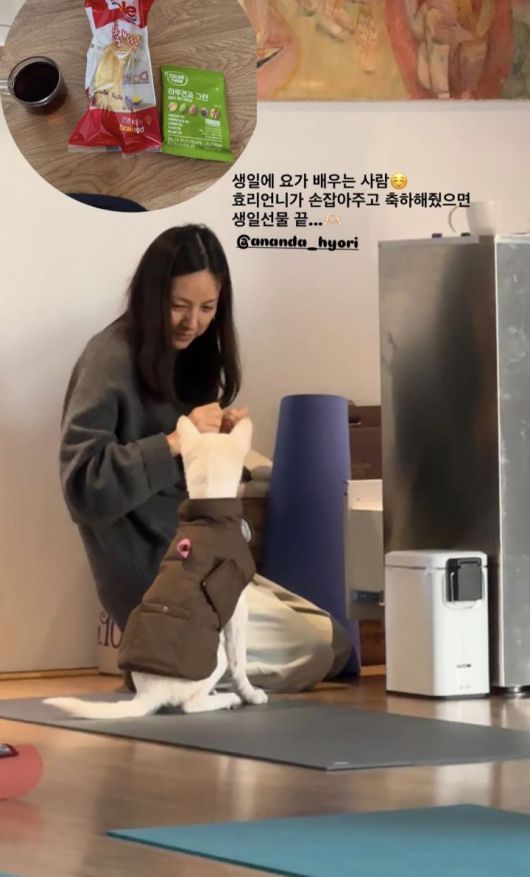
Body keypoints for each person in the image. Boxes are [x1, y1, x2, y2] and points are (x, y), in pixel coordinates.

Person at [60, 225, 351, 692]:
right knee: (314, 648)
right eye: (178, 305)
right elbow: (83, 488)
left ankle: (174, 663)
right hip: (162, 584)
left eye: (207, 308)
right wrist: (177, 442)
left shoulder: (193, 358)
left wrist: (222, 446)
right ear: (150, 295)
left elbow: (193, 488)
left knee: (336, 641)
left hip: (205, 565)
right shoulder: (107, 358)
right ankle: (162, 661)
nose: (191, 322)